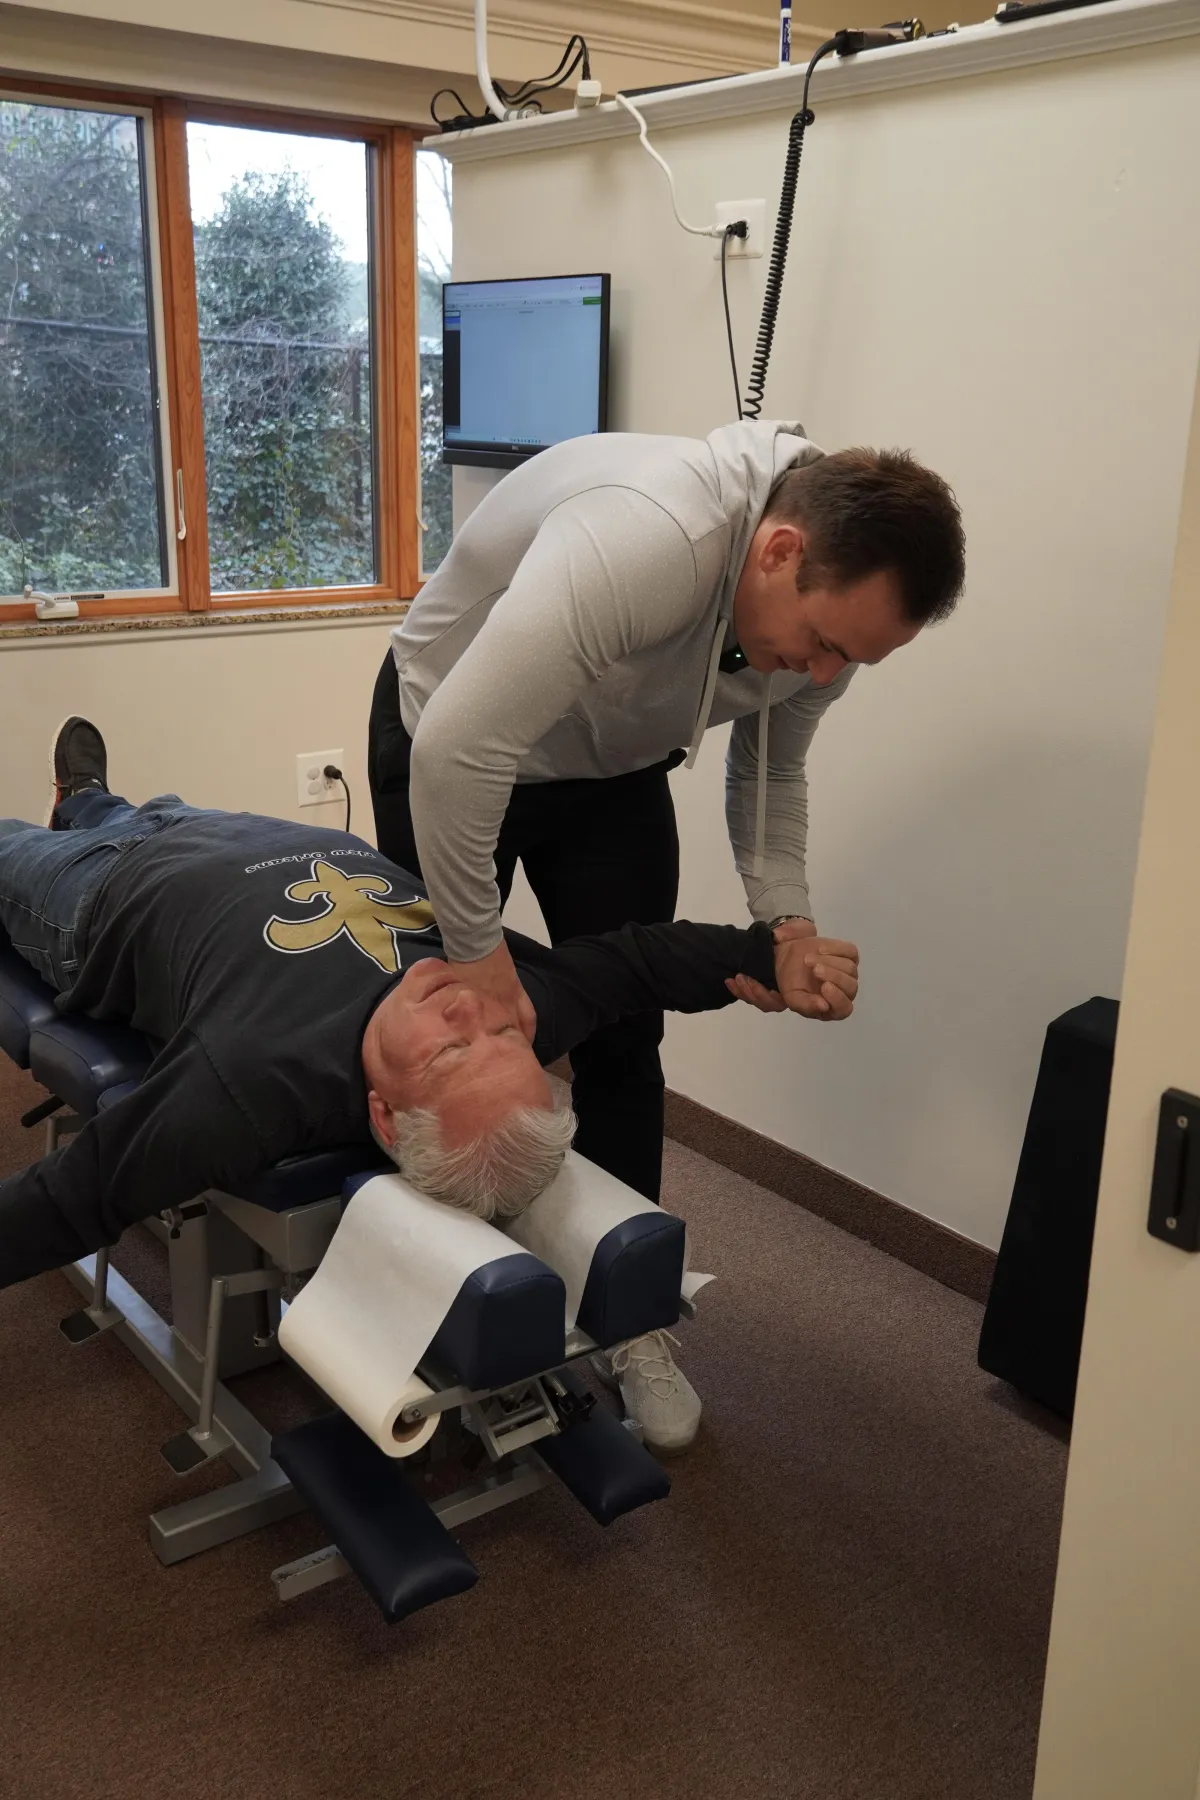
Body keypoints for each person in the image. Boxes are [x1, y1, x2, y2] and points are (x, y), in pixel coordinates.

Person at [0, 720, 859, 1449]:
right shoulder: (508, 1004)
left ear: (382, 1112)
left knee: (29, 848)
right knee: (125, 809)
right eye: (505, 1039)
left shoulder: (250, 1089)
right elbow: (638, 964)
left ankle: (78, 816)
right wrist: (764, 956)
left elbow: (73, 1199)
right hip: (231, 832)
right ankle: (85, 795)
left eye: (450, 1053)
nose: (467, 1011)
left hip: (100, 896)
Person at [368, 420, 965, 1429]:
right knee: (434, 1043)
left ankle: (628, 1313)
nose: (823, 675)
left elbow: (772, 764)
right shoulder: (650, 536)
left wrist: (787, 927)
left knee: (625, 1033)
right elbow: (461, 755)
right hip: (450, 736)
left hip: (608, 767)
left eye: (850, 660)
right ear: (779, 550)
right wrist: (476, 960)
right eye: (823, 644)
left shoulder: (827, 616)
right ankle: (414, 1302)